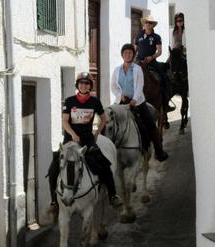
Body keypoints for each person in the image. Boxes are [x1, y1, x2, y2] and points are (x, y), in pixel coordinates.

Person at [48, 72, 122, 210]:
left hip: (87, 140)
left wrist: (96, 133)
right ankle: (54, 202)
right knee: (53, 168)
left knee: (104, 165)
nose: (84, 85)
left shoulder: (95, 102)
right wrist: (73, 134)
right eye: (81, 83)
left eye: (87, 83)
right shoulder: (70, 101)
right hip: (70, 140)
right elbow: (64, 121)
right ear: (77, 85)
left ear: (90, 86)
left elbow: (104, 118)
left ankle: (113, 196)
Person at [111, 43, 168, 162]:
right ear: (122, 55)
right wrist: (119, 96)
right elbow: (113, 86)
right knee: (111, 123)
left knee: (151, 124)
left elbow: (139, 86)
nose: (127, 55)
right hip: (122, 102)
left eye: (130, 53)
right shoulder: (117, 70)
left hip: (138, 102)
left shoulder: (137, 69)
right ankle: (111, 152)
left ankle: (159, 151)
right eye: (125, 53)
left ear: (133, 55)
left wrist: (134, 100)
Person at [134, 15, 174, 128]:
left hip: (151, 61)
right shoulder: (139, 35)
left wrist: (151, 57)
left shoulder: (156, 36)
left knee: (164, 78)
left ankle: (166, 105)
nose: (148, 24)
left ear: (153, 25)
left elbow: (159, 51)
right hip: (139, 61)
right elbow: (135, 48)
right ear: (144, 23)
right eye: (147, 22)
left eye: (151, 23)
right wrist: (133, 60)